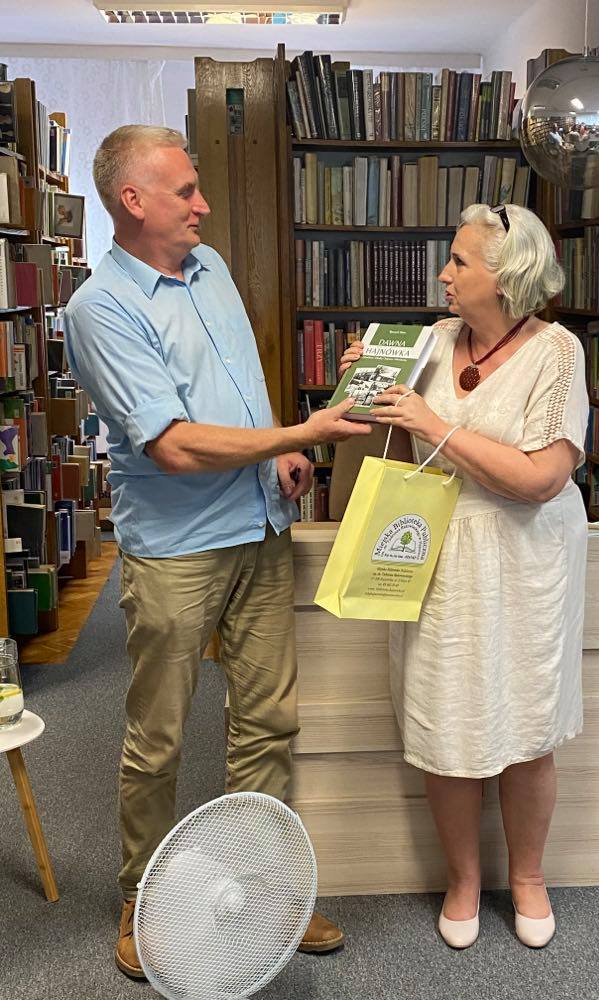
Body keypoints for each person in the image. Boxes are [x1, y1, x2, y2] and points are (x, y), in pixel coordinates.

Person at [63, 125, 371, 978]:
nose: (202, 205)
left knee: (269, 723)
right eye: (185, 191)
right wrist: (300, 432)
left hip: (261, 528)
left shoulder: (212, 269)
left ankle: (264, 892)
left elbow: (238, 385)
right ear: (133, 201)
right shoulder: (100, 308)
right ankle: (143, 902)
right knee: (158, 736)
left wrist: (279, 452)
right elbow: (171, 444)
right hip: (177, 551)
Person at [339, 202, 588, 950]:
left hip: (527, 561)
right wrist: (361, 388)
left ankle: (529, 878)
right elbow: (375, 439)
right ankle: (463, 880)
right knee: (445, 719)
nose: (443, 275)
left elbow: (542, 478)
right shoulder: (430, 341)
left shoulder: (558, 353)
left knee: (528, 723)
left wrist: (436, 425)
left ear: (506, 279)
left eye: (459, 262)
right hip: (435, 556)